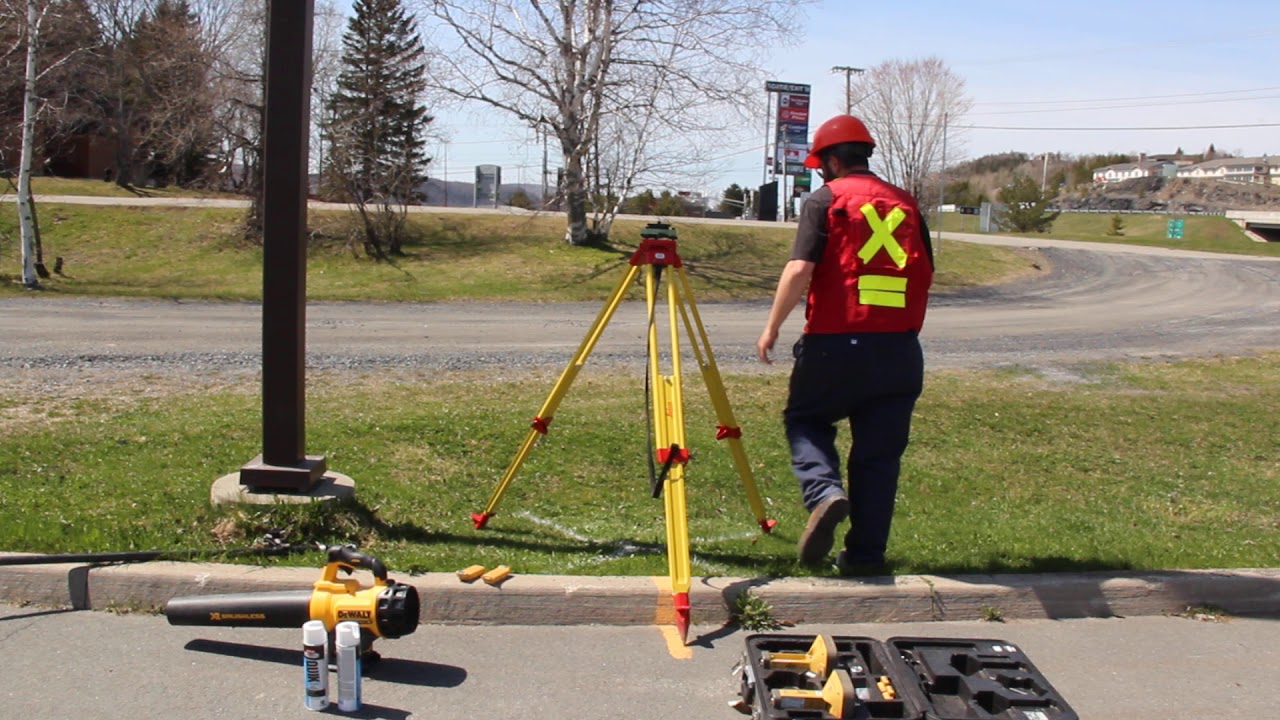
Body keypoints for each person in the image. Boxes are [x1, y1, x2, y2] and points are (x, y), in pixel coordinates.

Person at [756, 114, 935, 573]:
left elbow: (800, 269)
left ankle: (824, 492)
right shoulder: (907, 205)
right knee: (878, 458)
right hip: (898, 351)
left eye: (821, 165)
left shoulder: (825, 200)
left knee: (805, 419)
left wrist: (772, 327)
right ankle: (866, 557)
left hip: (835, 342)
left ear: (832, 161)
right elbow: (927, 274)